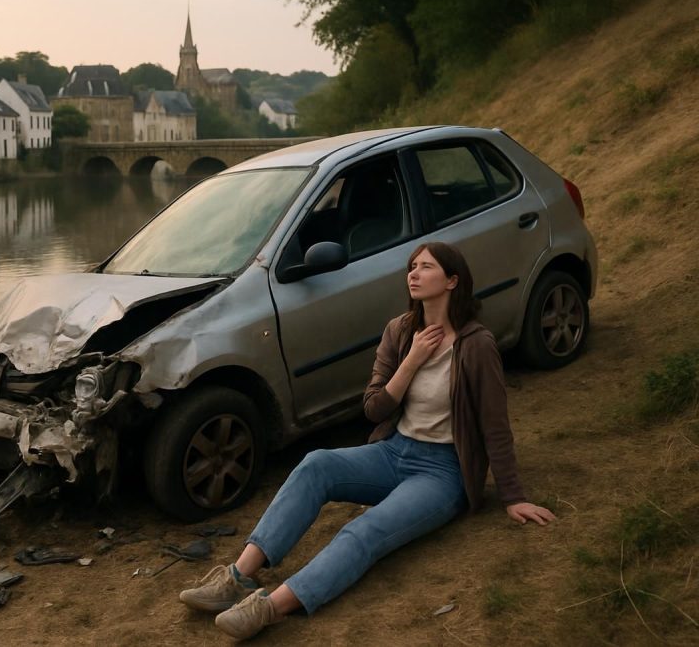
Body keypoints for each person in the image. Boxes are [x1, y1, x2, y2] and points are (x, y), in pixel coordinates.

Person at [177, 241, 556, 640]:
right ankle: (237, 578)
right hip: (394, 451)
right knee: (316, 464)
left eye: (426, 267)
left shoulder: (477, 345)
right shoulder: (400, 331)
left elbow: (495, 425)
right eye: (412, 266)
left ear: (452, 281)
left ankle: (270, 608)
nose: (413, 273)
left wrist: (513, 497)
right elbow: (374, 409)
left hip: (443, 472)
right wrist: (411, 361)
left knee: (365, 530)